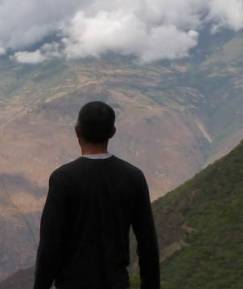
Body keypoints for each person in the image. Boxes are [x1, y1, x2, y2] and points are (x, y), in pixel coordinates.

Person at [33, 101, 160, 289]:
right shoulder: (133, 177)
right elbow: (147, 243)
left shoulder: (63, 179)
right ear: (113, 132)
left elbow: (49, 246)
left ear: (77, 131)